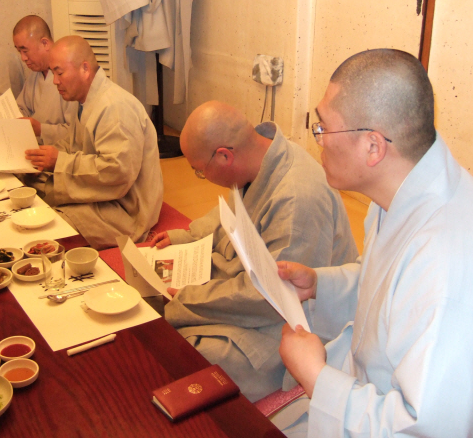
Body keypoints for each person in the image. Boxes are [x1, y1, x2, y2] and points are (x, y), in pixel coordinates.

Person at [276, 49, 473, 437]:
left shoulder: (451, 271)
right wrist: (322, 285)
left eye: (323, 128)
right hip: (371, 392)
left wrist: (316, 377)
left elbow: (431, 430)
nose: (317, 139)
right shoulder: (408, 187)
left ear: (373, 146)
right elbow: (391, 288)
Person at [152, 101, 358, 402]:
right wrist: (188, 236)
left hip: (293, 318)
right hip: (258, 287)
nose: (201, 176)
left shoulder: (297, 198)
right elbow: (230, 212)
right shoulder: (261, 156)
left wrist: (188, 298)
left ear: (224, 156)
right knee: (178, 322)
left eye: (199, 171)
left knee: (191, 349)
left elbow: (273, 294)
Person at [24, 36, 163, 249]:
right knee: (29, 186)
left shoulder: (115, 107)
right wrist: (42, 158)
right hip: (99, 193)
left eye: (60, 73)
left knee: (50, 230)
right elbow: (72, 145)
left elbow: (117, 172)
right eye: (53, 73)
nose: (55, 81)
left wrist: (59, 162)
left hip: (124, 209)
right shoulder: (83, 99)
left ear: (85, 69)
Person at [12, 15, 78, 145]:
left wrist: (41, 130)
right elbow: (21, 108)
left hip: (59, 152)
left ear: (45, 43)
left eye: (25, 51)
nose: (23, 58)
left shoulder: (69, 75)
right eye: (19, 51)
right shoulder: (35, 74)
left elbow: (78, 134)